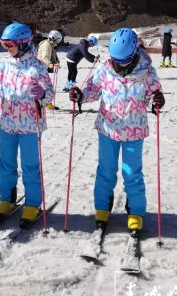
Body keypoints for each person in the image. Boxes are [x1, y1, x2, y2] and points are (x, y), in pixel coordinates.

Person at [69, 28, 164, 233]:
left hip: (134, 130)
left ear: (134, 54)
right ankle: (102, 208)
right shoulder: (105, 69)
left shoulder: (147, 72)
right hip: (108, 128)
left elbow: (153, 94)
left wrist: (157, 100)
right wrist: (80, 95)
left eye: (124, 60)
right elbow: (92, 91)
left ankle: (136, 212)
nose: (118, 63)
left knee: (132, 173)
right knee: (106, 170)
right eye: (115, 59)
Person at [0, 22, 55, 225]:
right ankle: (7, 199)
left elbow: (50, 94)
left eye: (9, 45)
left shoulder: (38, 66)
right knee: (6, 163)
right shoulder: (4, 64)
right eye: (4, 45)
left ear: (23, 43)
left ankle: (33, 203)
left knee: (30, 165)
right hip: (7, 123)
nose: (7, 49)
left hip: (30, 125)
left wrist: (43, 93)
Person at [37, 30, 62, 110]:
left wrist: (56, 62)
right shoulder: (47, 45)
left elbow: (53, 55)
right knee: (46, 88)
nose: (57, 43)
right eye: (57, 40)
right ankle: (43, 104)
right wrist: (51, 65)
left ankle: (46, 103)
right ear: (54, 38)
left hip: (42, 69)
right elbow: (45, 57)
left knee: (45, 87)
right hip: (40, 69)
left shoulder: (50, 44)